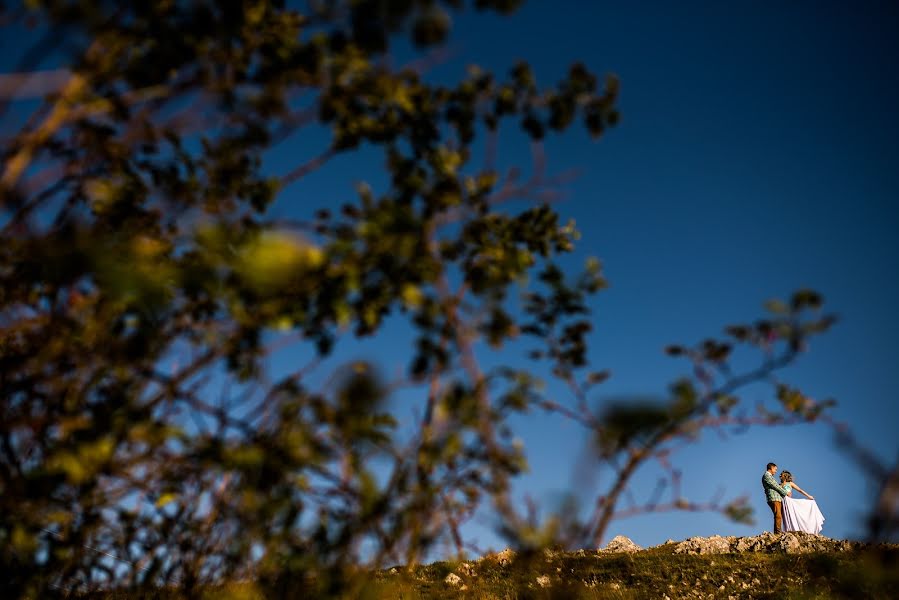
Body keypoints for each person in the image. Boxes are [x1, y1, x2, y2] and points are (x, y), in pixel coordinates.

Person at [762, 462, 791, 533]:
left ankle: (778, 531)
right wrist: (785, 493)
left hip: (777, 498)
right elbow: (775, 486)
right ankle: (778, 532)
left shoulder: (770, 476)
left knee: (779, 515)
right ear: (771, 468)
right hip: (773, 498)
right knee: (778, 515)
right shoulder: (767, 476)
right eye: (775, 469)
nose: (776, 471)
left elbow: (776, 486)